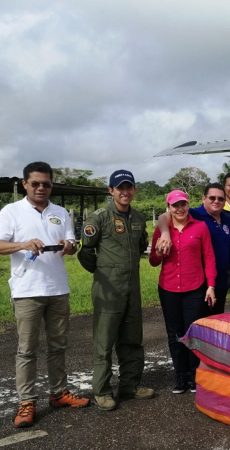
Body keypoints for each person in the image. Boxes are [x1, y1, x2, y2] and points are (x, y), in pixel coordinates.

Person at [0, 161, 89, 428]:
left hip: (58, 289)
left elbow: (71, 244)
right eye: (35, 183)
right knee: (27, 350)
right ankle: (27, 401)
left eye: (46, 183)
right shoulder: (12, 211)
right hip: (27, 291)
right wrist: (23, 244)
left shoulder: (60, 212)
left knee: (58, 346)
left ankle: (59, 393)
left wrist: (70, 246)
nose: (41, 188)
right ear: (25, 184)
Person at [77, 169, 154, 411]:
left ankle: (130, 386)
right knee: (104, 341)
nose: (125, 191)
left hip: (133, 288)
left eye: (128, 187)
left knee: (133, 339)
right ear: (111, 191)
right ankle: (102, 391)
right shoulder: (98, 218)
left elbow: (142, 247)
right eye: (119, 187)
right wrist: (103, 274)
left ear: (134, 190)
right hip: (108, 290)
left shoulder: (139, 219)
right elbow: (86, 253)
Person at [149, 190, 217, 394]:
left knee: (193, 332)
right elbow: (153, 261)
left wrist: (211, 286)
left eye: (183, 204)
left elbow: (209, 257)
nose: (180, 209)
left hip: (195, 287)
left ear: (188, 205)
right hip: (168, 288)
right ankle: (180, 375)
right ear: (168, 208)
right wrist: (159, 253)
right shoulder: (162, 230)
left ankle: (195, 374)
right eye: (175, 205)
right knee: (175, 334)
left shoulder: (200, 227)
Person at [155, 183, 230, 314]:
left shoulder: (229, 219)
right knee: (198, 323)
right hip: (199, 282)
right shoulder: (194, 214)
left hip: (221, 280)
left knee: (216, 320)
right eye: (212, 198)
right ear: (204, 199)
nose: (216, 201)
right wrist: (165, 233)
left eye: (220, 199)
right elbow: (164, 216)